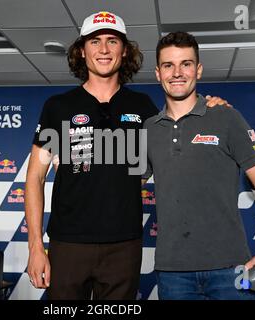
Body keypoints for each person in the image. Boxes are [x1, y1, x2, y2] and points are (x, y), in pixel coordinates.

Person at [25, 12, 229, 300]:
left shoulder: (143, 105)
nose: (104, 49)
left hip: (124, 245)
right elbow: (34, 177)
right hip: (68, 243)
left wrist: (212, 108)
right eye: (95, 41)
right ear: (82, 51)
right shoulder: (58, 107)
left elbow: (175, 148)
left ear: (124, 50)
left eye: (112, 41)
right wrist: (35, 246)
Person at [143, 31, 255, 300]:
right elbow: (121, 187)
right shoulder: (148, 129)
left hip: (233, 268)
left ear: (198, 70)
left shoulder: (226, 117)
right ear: (157, 73)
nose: (177, 72)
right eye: (168, 65)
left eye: (185, 64)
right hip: (172, 273)